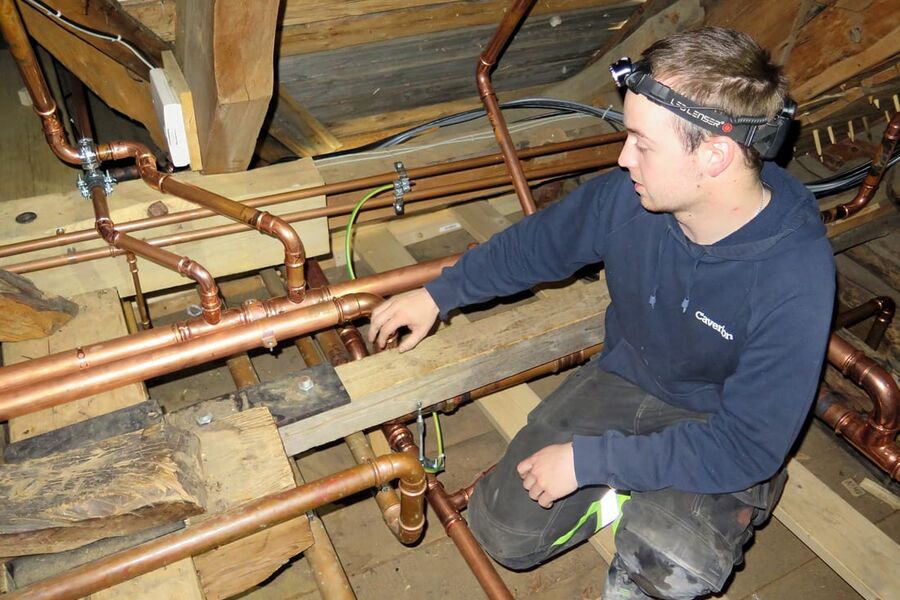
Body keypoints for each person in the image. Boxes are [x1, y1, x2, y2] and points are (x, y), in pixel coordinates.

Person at [368, 27, 835, 599]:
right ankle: (627, 488)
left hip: (716, 424)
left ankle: (660, 503)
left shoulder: (794, 275)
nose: (623, 157)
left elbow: (746, 445)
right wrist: (439, 294)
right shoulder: (629, 196)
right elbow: (539, 244)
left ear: (714, 155)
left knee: (668, 565)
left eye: (642, 142)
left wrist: (590, 461)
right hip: (625, 378)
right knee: (504, 533)